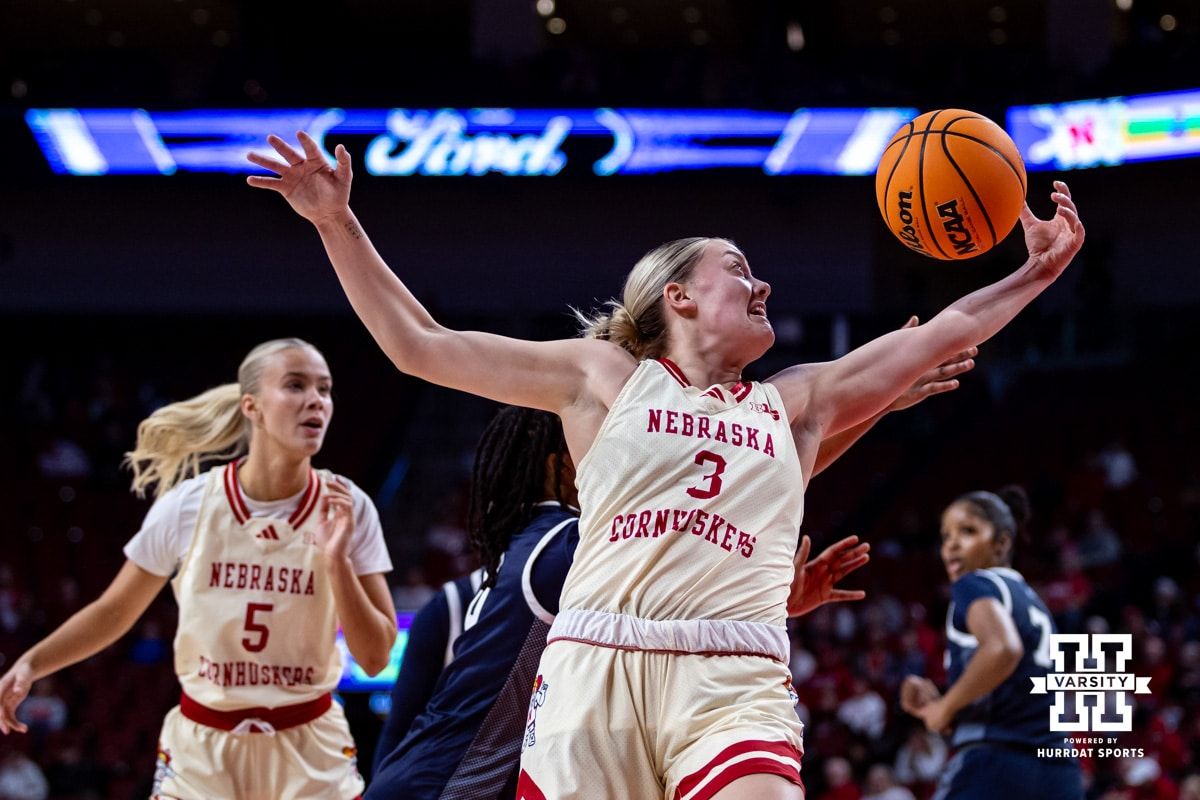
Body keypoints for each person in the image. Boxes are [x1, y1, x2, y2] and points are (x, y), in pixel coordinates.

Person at [247, 130, 1083, 800]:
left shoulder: (798, 401)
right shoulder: (601, 377)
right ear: (677, 296)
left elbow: (944, 328)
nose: (763, 286)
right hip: (593, 668)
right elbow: (418, 346)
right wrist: (335, 222)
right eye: (739, 271)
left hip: (732, 671)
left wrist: (1036, 270)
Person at [0, 338, 396, 800]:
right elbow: (113, 612)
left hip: (309, 744)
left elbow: (375, 657)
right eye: (295, 385)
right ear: (252, 405)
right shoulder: (189, 505)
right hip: (203, 747)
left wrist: (336, 561)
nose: (316, 400)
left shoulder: (348, 506)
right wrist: (32, 661)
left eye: (325, 390)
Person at [899, 486, 1085, 800]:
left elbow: (1003, 649)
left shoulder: (975, 584)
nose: (952, 545)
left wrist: (944, 707)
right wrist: (945, 707)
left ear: (1001, 543)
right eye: (946, 536)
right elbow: (1017, 699)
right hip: (1058, 771)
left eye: (968, 531)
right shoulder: (1034, 604)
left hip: (995, 764)